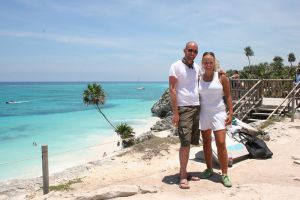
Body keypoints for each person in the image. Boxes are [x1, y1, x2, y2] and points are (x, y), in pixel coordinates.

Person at [198, 52, 233, 187]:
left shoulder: (221, 77)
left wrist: (231, 113)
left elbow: (228, 96)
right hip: (204, 113)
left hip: (219, 112)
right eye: (205, 62)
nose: (208, 65)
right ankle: (209, 169)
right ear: (202, 63)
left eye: (210, 62)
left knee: (221, 142)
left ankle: (224, 174)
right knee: (206, 143)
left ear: (214, 63)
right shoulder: (198, 78)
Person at [169, 41, 201, 189]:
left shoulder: (197, 67)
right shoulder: (175, 66)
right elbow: (172, 90)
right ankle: (182, 175)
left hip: (196, 108)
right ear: (184, 50)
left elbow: (201, 84)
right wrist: (175, 112)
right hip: (183, 109)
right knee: (185, 143)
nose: (192, 53)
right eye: (190, 50)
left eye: (195, 51)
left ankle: (185, 171)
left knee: (191, 142)